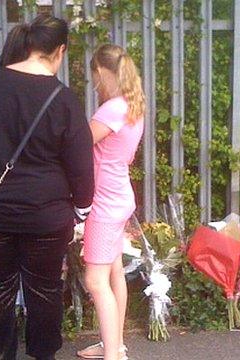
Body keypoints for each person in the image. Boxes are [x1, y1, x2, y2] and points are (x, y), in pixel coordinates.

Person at [0, 15, 94, 360]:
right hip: (46, 216)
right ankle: (43, 356)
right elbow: (80, 163)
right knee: (44, 290)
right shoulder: (63, 99)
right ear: (59, 51)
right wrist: (82, 208)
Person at [76, 44, 145, 360]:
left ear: (104, 72)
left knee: (95, 279)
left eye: (95, 77)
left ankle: (114, 355)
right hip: (118, 198)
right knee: (115, 272)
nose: (95, 85)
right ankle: (114, 345)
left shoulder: (112, 109)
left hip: (104, 204)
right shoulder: (132, 106)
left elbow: (76, 145)